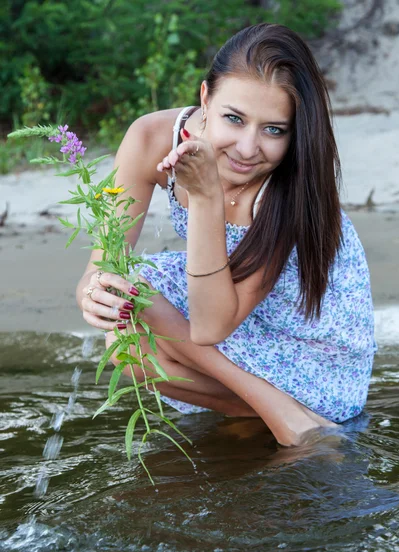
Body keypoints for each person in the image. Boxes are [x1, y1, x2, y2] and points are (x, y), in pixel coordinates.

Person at [76, 23, 376, 446]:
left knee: (142, 291)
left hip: (314, 351)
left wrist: (204, 198)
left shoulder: (289, 187)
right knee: (125, 334)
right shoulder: (149, 138)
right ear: (205, 98)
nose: (248, 148)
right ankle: (270, 410)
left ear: (295, 131)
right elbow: (95, 272)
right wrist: (97, 296)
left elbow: (210, 327)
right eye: (234, 119)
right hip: (228, 313)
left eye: (274, 129)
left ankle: (290, 415)